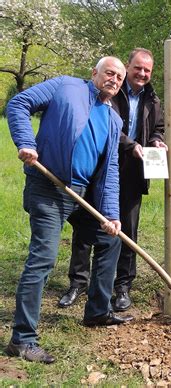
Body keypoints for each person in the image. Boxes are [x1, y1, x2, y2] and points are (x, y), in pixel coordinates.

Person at [5, 57, 134, 364]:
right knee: (44, 258)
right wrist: (26, 142)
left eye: (119, 77)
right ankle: (22, 339)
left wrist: (111, 214)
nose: (114, 79)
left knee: (110, 239)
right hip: (48, 187)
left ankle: (97, 312)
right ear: (95, 73)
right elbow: (19, 104)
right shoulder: (66, 86)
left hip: (81, 194)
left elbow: (110, 169)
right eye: (109, 73)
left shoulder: (114, 119)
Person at [58, 48, 166, 312]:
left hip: (131, 172)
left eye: (147, 70)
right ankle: (77, 283)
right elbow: (104, 126)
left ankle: (122, 287)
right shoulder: (109, 90)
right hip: (99, 167)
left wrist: (155, 141)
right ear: (127, 67)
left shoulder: (152, 99)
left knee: (127, 229)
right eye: (137, 68)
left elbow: (159, 127)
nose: (142, 74)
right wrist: (129, 144)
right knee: (87, 227)